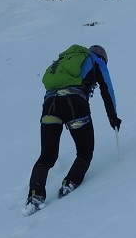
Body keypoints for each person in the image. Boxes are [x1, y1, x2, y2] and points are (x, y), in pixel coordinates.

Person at [26, 44, 121, 212]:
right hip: (74, 104)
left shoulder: (64, 59)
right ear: (103, 57)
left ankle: (35, 195)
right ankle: (69, 184)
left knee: (47, 156)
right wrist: (113, 118)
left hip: (50, 105)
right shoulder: (96, 60)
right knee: (85, 151)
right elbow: (107, 89)